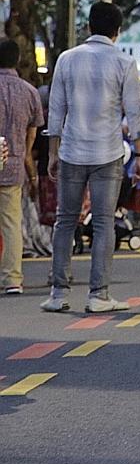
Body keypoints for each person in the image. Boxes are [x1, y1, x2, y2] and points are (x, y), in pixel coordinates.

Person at [43, 1, 140, 314]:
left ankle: (58, 293)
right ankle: (99, 295)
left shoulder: (67, 58)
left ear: (88, 27)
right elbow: (134, 112)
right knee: (103, 223)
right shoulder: (125, 62)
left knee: (65, 220)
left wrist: (53, 152)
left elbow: (56, 108)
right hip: (109, 153)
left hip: (71, 151)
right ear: (118, 31)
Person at [0, 38, 44, 295]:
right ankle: (12, 279)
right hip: (14, 166)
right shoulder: (29, 92)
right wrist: (31, 171)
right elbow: (32, 136)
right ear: (17, 59)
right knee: (11, 223)